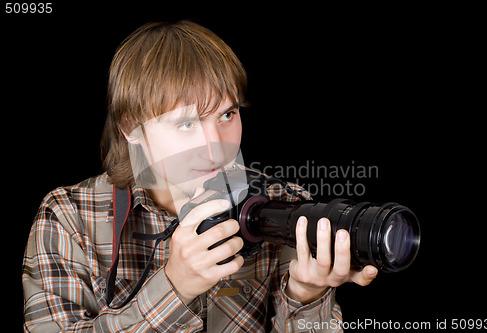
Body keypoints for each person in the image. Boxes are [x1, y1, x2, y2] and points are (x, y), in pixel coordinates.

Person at [22, 21, 378, 332]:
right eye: (186, 123)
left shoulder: (282, 203)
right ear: (131, 128)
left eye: (226, 115)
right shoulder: (69, 216)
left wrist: (306, 296)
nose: (214, 149)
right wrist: (174, 286)